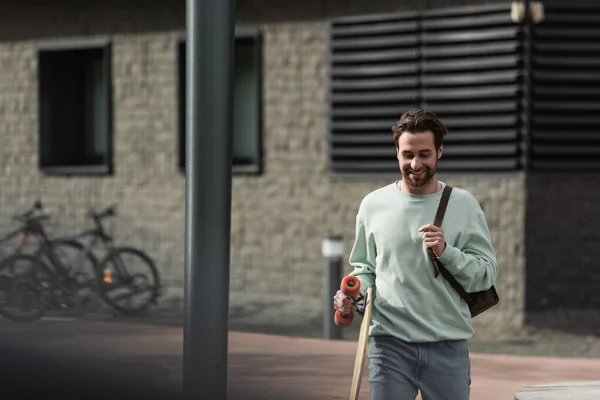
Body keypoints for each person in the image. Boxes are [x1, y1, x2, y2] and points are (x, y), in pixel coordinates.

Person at [333, 109, 498, 400]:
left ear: (439, 152)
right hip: (389, 347)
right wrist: (353, 294)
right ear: (397, 153)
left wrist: (447, 252)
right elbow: (365, 269)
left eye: (424, 154)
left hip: (447, 347)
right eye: (407, 154)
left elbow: (485, 275)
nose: (415, 164)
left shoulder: (464, 204)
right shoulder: (373, 204)